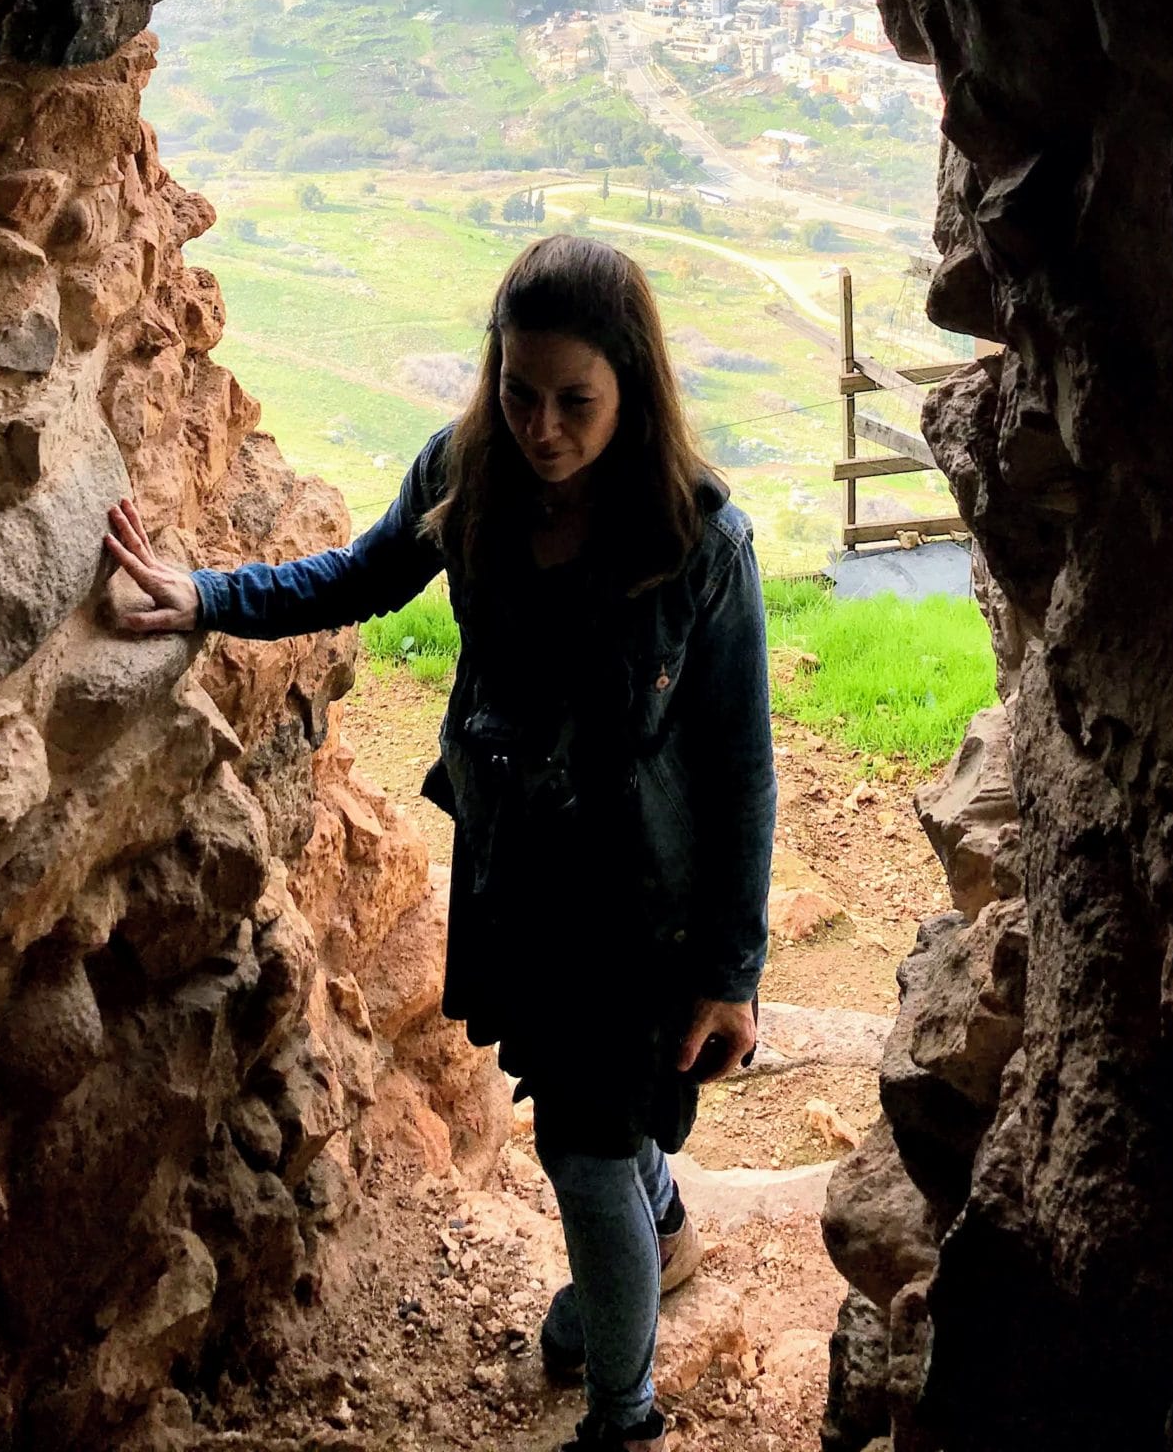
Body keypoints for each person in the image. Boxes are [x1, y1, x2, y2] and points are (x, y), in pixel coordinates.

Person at [104, 232, 777, 1451]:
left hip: (639, 910)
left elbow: (741, 767)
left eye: (577, 400)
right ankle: (655, 1231)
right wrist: (205, 596)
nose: (544, 427)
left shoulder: (698, 546)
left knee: (582, 1151)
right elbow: (359, 576)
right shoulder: (468, 475)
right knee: (604, 1124)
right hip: (520, 875)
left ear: (634, 385)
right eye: (521, 390)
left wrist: (732, 973)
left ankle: (624, 1414)